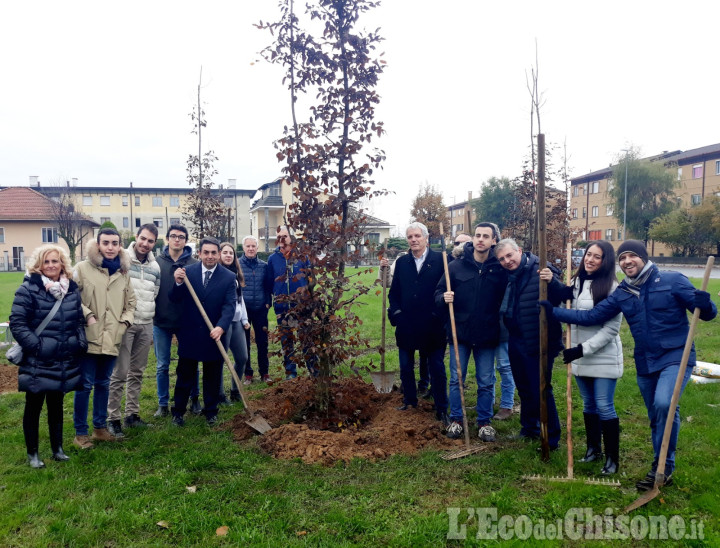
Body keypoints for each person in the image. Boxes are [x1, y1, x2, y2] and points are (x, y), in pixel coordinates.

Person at [541, 240, 716, 489]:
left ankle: (663, 466)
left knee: (664, 404)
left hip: (676, 356)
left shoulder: (672, 280)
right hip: (645, 360)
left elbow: (708, 314)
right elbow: (592, 316)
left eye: (632, 256)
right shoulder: (624, 291)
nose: (627, 261)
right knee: (656, 415)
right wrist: (554, 312)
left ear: (643, 257)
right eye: (623, 258)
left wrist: (705, 303)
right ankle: (660, 466)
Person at [540, 240, 623, 475]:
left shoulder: (612, 288)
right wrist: (550, 280)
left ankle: (612, 459)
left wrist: (581, 349)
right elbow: (565, 299)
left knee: (604, 406)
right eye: (588, 255)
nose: (590, 260)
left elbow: (610, 330)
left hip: (603, 356)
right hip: (580, 354)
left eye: (597, 257)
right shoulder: (577, 282)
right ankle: (592, 449)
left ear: (605, 261)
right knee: (589, 405)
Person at [10, 245, 87, 467]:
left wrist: (79, 342)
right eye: (46, 262)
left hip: (64, 357)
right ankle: (32, 453)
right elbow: (18, 322)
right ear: (39, 266)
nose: (51, 266)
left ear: (62, 263)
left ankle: (57, 448)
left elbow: (78, 320)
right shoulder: (28, 289)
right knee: (33, 406)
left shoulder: (71, 289)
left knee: (56, 405)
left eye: (55, 261)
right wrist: (37, 347)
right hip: (38, 358)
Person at [435, 222, 508, 441]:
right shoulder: (456, 266)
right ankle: (457, 419)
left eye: (486, 236)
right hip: (461, 333)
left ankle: (484, 422)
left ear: (494, 240)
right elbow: (439, 292)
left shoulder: (499, 268)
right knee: (457, 379)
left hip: (487, 334)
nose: (480, 239)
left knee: (486, 380)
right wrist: (443, 298)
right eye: (477, 235)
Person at [495, 238, 562, 450]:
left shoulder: (541, 269)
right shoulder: (507, 276)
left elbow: (560, 296)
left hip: (539, 338)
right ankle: (529, 428)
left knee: (541, 387)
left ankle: (551, 437)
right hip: (515, 337)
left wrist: (552, 280)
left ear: (520, 251)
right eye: (502, 259)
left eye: (509, 256)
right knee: (523, 386)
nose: (507, 261)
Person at [73, 228, 136, 449]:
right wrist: (87, 314)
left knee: (103, 384)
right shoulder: (82, 269)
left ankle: (99, 428)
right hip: (88, 337)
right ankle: (80, 433)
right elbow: (71, 298)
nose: (110, 247)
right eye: (106, 242)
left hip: (112, 338)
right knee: (85, 385)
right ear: (98, 245)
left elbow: (131, 304)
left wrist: (124, 323)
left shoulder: (124, 273)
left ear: (120, 246)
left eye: (115, 243)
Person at [169, 237, 236, 426]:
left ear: (218, 254)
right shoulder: (187, 273)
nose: (210, 256)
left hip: (214, 334)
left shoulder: (228, 277)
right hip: (190, 333)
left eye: (214, 253)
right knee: (184, 375)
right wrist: (178, 283)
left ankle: (211, 411)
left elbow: (229, 305)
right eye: (206, 252)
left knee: (212, 376)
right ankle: (178, 412)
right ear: (199, 253)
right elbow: (174, 298)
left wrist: (221, 326)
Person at [388, 222, 448, 424]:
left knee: (437, 368)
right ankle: (410, 401)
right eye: (410, 237)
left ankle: (442, 408)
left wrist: (438, 314)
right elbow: (394, 292)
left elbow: (447, 289)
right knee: (406, 366)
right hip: (407, 324)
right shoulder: (403, 262)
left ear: (426, 239)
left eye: (417, 236)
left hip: (433, 325)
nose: (413, 240)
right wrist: (397, 314)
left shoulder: (441, 260)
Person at [107, 224, 161, 438]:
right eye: (143, 239)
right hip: (125, 324)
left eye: (150, 241)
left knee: (137, 372)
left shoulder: (155, 267)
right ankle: (113, 418)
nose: (145, 244)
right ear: (136, 238)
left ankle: (132, 414)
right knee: (119, 373)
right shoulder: (121, 260)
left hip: (146, 323)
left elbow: (154, 293)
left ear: (154, 243)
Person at [153, 224, 200, 418]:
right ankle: (163, 403)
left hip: (185, 322)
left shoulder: (194, 264)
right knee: (162, 365)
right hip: (161, 321)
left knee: (190, 363)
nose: (177, 240)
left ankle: (194, 398)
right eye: (173, 236)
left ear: (186, 240)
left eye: (181, 237)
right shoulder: (156, 263)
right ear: (167, 239)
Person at [267, 226, 316, 379]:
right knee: (287, 343)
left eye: (285, 236)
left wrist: (307, 296)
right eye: (279, 236)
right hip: (282, 308)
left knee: (307, 340)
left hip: (301, 307)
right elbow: (269, 283)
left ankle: (314, 371)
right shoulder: (272, 259)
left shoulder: (302, 256)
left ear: (291, 237)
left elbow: (311, 279)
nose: (282, 239)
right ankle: (291, 373)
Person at [238, 235, 273, 384]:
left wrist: (267, 303)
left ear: (257, 248)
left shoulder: (264, 266)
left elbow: (268, 287)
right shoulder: (237, 264)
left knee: (262, 342)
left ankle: (264, 373)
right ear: (243, 248)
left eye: (253, 246)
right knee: (244, 343)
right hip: (243, 311)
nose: (251, 249)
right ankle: (248, 374)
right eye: (248, 246)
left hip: (260, 310)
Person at [219, 241, 250, 402]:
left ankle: (235, 389)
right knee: (220, 360)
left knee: (242, 358)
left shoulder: (235, 274)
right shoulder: (217, 274)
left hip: (237, 321)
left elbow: (240, 299)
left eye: (231, 253)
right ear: (219, 255)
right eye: (225, 252)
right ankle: (219, 395)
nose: (228, 255)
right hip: (223, 323)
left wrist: (244, 319)